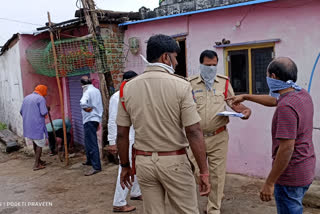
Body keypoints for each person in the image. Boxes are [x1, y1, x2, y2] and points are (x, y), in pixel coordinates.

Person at [116, 34, 211, 214]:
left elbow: (121, 133)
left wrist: (125, 166)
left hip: (143, 163)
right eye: (175, 58)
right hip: (174, 161)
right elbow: (194, 131)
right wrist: (204, 171)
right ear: (165, 57)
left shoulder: (128, 87)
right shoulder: (181, 85)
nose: (176, 63)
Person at [227, 57, 315, 214]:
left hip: (290, 175)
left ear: (273, 77)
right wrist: (246, 96)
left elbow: (287, 148)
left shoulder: (286, 107)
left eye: (267, 76)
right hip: (306, 167)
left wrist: (270, 182)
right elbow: (275, 101)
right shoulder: (301, 94)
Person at [188, 50, 251, 214]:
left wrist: (244, 111)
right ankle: (208, 192)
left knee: (217, 174)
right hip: (196, 138)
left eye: (214, 65)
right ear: (201, 65)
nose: (211, 68)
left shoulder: (223, 83)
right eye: (208, 65)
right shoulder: (190, 83)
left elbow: (233, 103)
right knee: (196, 171)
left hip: (218, 136)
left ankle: (213, 208)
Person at [108, 71, 142, 213]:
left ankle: (135, 192)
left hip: (135, 137)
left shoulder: (133, 95)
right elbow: (112, 120)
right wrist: (112, 141)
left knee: (137, 166)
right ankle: (119, 202)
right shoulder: (117, 97)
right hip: (125, 139)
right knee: (124, 168)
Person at [20, 85, 49, 171]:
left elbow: (21, 111)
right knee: (40, 144)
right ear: (43, 90)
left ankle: (39, 160)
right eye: (45, 91)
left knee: (35, 142)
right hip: (37, 125)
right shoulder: (40, 98)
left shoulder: (27, 98)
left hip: (28, 125)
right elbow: (43, 112)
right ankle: (36, 164)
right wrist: (48, 109)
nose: (46, 93)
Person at [80, 76, 103, 176]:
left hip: (90, 119)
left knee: (92, 143)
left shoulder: (87, 92)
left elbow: (82, 102)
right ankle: (90, 160)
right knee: (88, 141)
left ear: (82, 84)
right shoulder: (96, 90)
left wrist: (86, 108)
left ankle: (96, 166)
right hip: (96, 118)